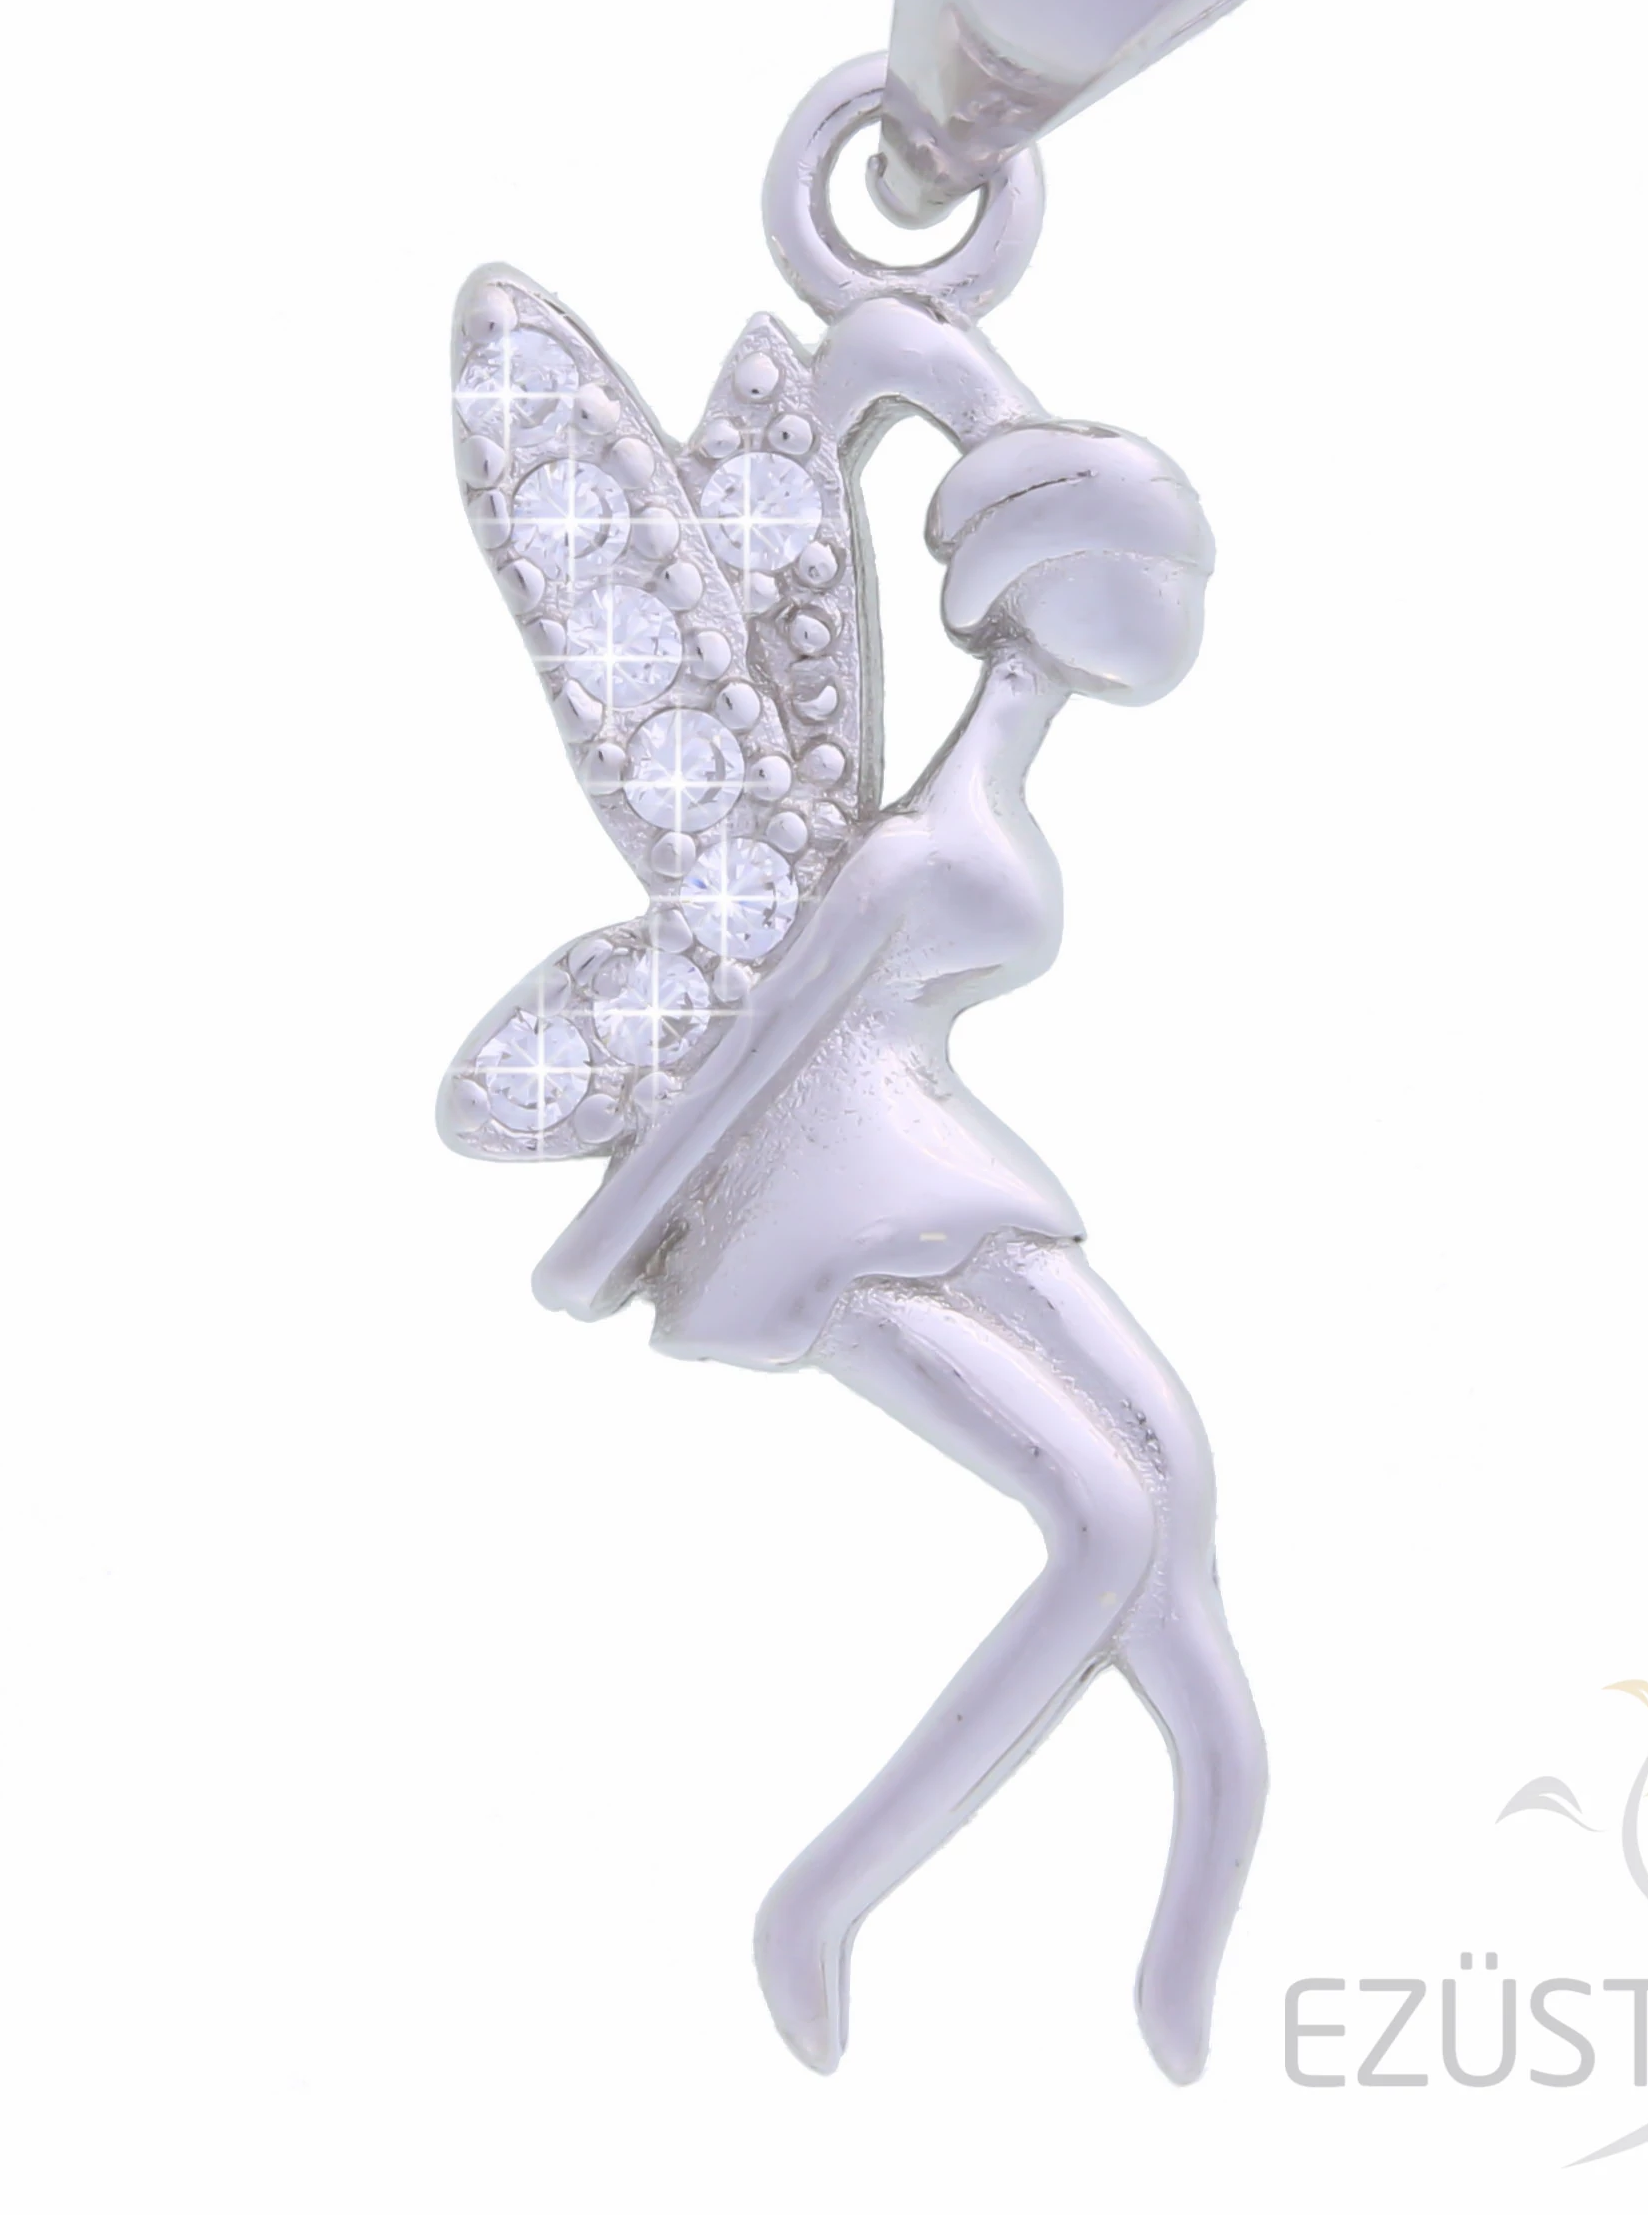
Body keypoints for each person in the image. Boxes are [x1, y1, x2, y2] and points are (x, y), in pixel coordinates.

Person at [533, 416, 1264, 2083]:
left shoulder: (982, 799)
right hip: (814, 1205)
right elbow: (757, 1053)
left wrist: (912, 375)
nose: (1172, 610)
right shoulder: (912, 849)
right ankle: (821, 1903)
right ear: (1054, 582)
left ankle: (1199, 1907)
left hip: (934, 1155)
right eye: (1147, 569)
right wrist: (610, 1243)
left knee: (1178, 1476)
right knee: (1102, 1514)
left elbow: (870, 381)